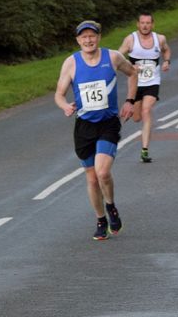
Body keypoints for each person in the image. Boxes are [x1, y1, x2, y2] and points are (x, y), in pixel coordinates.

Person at [54, 20, 138, 241]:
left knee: (102, 172)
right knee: (91, 179)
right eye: (84, 37)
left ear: (99, 37)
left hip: (108, 123)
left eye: (92, 36)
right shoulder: (71, 63)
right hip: (83, 127)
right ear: (78, 40)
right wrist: (65, 106)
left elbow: (133, 73)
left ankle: (110, 206)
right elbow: (59, 94)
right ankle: (101, 218)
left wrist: (130, 101)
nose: (88, 40)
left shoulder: (112, 57)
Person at [119, 12, 172, 163]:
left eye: (148, 23)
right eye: (142, 23)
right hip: (135, 84)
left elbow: (166, 50)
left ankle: (144, 150)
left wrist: (167, 61)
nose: (145, 26)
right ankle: (135, 113)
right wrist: (130, 65)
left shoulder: (159, 39)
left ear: (152, 24)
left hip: (152, 82)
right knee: (137, 118)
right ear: (138, 24)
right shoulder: (130, 40)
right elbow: (117, 57)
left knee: (146, 110)